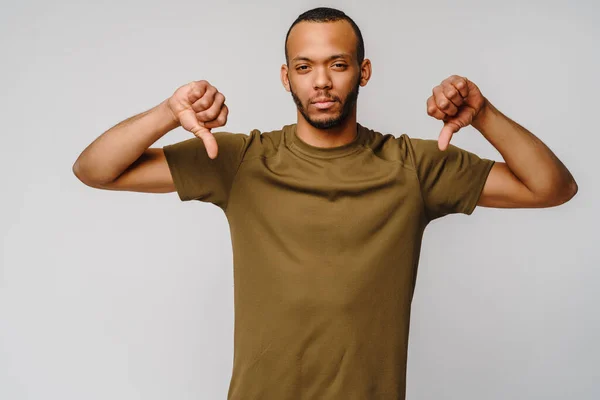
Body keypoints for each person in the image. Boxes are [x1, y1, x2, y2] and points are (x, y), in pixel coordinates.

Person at [72, 6, 577, 400]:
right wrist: (167, 112)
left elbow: (551, 187)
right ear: (285, 76)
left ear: (363, 71)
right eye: (304, 66)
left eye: (337, 64)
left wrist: (482, 113)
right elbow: (95, 169)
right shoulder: (239, 159)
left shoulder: (415, 166)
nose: (321, 81)